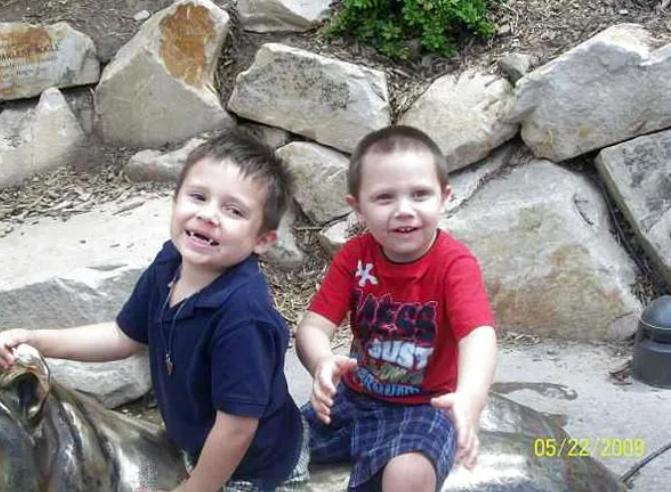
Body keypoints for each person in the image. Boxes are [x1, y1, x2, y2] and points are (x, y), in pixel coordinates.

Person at [0, 129, 308, 492]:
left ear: (262, 240)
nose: (209, 215)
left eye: (234, 210)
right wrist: (36, 340)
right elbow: (121, 336)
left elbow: (236, 428)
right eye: (198, 197)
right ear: (175, 201)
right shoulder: (170, 264)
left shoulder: (243, 317)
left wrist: (192, 490)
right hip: (195, 441)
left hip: (253, 467)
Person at [296, 125, 497, 492]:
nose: (404, 210)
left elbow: (478, 335)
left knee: (408, 475)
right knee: (270, 438)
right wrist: (321, 361)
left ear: (444, 197)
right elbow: (313, 327)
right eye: (385, 198)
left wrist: (470, 397)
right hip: (352, 397)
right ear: (358, 208)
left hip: (425, 408)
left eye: (420, 194)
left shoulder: (454, 265)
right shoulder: (355, 257)